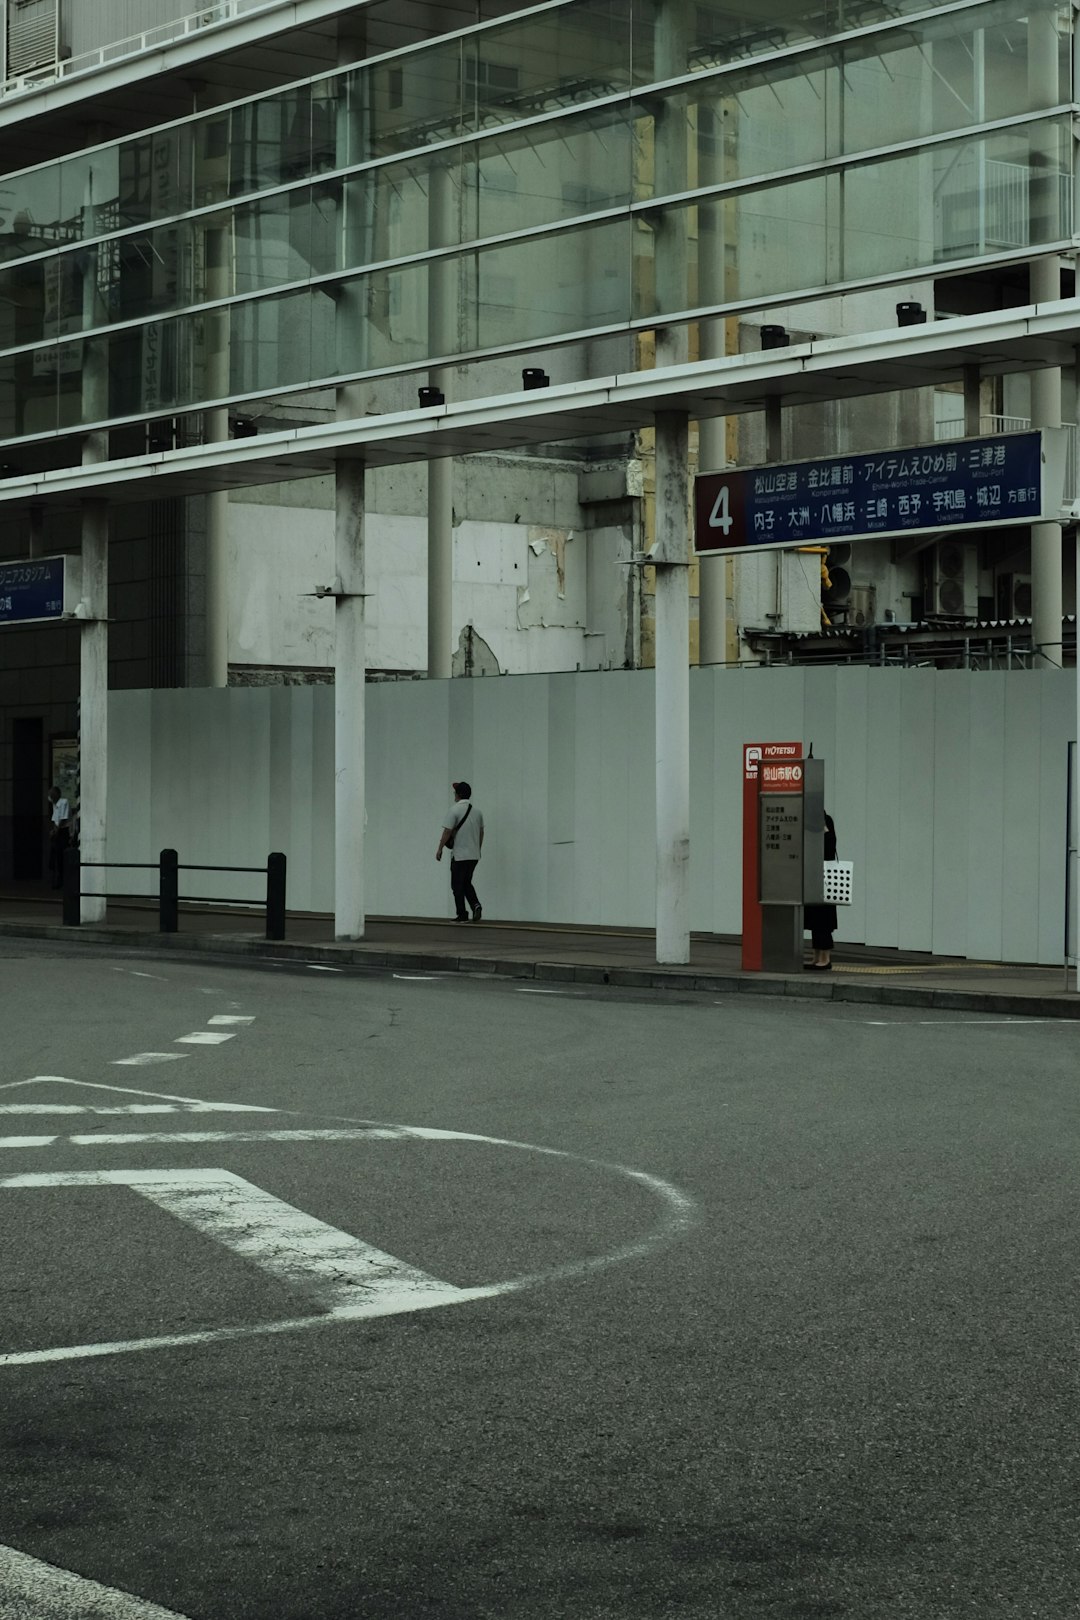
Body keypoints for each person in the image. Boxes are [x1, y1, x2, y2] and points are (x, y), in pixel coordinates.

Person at [436, 780, 484, 922]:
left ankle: (462, 914)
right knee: (466, 882)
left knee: (457, 885)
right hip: (474, 855)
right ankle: (476, 905)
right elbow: (482, 832)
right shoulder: (477, 812)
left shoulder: (454, 810)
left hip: (460, 855)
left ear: (459, 794)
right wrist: (478, 849)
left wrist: (439, 849)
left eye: (455, 791)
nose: (454, 793)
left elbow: (447, 831)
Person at [804, 812, 838, 970]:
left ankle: (825, 958)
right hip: (812, 879)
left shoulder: (827, 829)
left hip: (825, 880)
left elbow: (830, 847)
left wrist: (823, 828)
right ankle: (817, 956)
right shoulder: (810, 829)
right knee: (814, 920)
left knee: (823, 921)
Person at [47, 785, 70, 890]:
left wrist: (55, 831)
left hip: (62, 832)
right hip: (57, 832)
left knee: (62, 855)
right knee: (55, 857)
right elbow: (55, 820)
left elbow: (62, 819)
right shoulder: (54, 805)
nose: (50, 796)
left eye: (51, 794)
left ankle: (62, 880)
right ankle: (57, 880)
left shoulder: (63, 802)